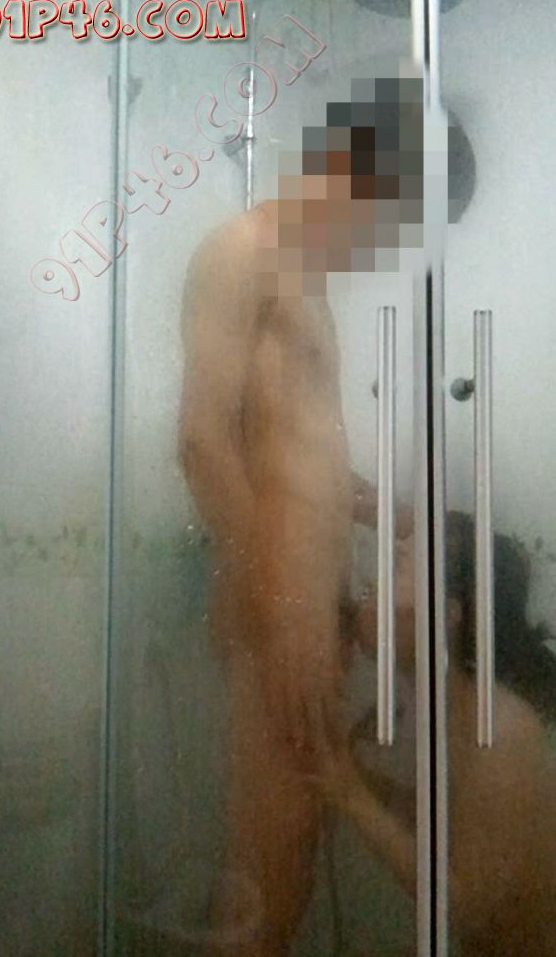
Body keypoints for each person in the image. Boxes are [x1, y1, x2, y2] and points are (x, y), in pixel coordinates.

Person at [178, 77, 422, 955]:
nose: (377, 235)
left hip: (306, 610)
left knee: (292, 857)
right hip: (276, 610)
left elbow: (296, 450)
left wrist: (379, 512)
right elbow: (200, 441)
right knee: (269, 869)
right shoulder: (241, 250)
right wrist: (283, 612)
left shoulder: (304, 282)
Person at [313, 511, 556, 956]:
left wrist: (351, 795)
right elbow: (454, 829)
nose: (373, 586)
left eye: (397, 568)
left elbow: (468, 908)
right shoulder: (455, 707)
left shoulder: (497, 731)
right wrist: (358, 779)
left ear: (445, 616)